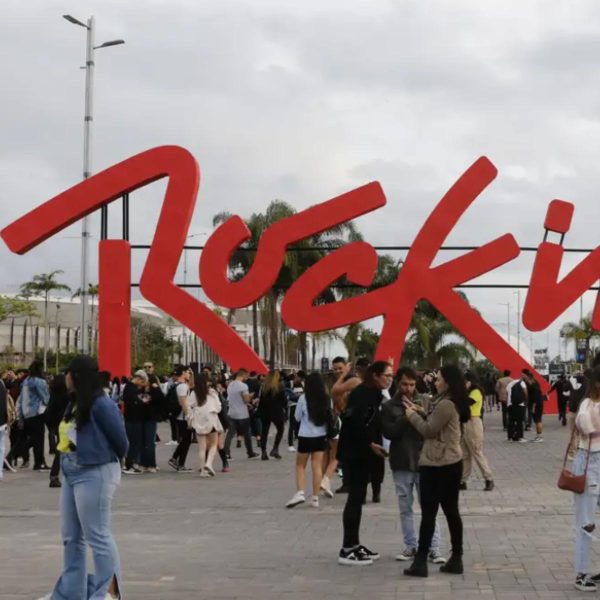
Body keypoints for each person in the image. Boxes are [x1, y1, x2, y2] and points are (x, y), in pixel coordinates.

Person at [36, 355, 128, 600]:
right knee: (71, 537)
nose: (64, 377)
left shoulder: (101, 403)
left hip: (94, 471)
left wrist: (102, 456)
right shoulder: (75, 402)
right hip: (71, 470)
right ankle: (70, 593)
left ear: (76, 376)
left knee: (98, 535)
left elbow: (121, 441)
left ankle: (108, 593)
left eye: (68, 373)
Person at [402, 365, 470, 578]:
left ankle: (421, 561)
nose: (435, 382)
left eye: (438, 379)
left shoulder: (446, 404)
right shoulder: (448, 402)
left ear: (448, 382)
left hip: (436, 464)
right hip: (450, 463)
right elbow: (436, 421)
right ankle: (456, 558)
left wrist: (411, 416)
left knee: (430, 514)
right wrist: (421, 411)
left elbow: (429, 430)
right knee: (451, 512)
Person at [381, 367, 446, 564]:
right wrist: (406, 417)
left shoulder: (426, 401)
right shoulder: (389, 405)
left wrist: (420, 413)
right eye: (404, 384)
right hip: (401, 461)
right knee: (405, 507)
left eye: (411, 384)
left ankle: (433, 548)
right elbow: (389, 432)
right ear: (397, 384)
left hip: (425, 460)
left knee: (429, 507)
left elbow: (434, 428)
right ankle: (410, 545)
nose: (408, 389)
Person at [336, 361, 393, 566]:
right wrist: (370, 444)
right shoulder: (362, 393)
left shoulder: (374, 393)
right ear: (376, 375)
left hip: (365, 451)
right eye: (387, 375)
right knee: (355, 498)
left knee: (359, 497)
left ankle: (355, 543)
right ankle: (347, 548)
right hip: (355, 452)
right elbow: (354, 423)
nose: (390, 379)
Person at [571, 366, 600, 592]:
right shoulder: (586, 405)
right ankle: (581, 574)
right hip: (589, 462)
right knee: (586, 522)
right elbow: (585, 425)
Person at [285, 372, 331, 509]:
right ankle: (315, 498)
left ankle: (300, 492)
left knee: (300, 466)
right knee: (317, 466)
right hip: (321, 436)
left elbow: (297, 417)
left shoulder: (303, 398)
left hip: (305, 436)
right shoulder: (327, 399)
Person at [460, 371, 494, 491]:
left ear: (470, 381)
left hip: (473, 422)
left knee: (476, 451)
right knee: (465, 454)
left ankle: (488, 478)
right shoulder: (468, 392)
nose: (463, 384)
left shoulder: (476, 392)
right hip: (465, 423)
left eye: (465, 382)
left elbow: (466, 403)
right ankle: (463, 480)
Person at [16, 360, 50, 471]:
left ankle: (15, 455)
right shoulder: (40, 382)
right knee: (39, 440)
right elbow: (46, 398)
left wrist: (20, 416)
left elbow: (21, 400)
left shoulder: (26, 381)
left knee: (29, 440)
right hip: (36, 413)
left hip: (26, 414)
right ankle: (39, 463)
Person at [188, 373, 223, 476]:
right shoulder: (212, 393)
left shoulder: (194, 393)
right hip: (211, 420)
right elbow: (218, 408)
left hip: (198, 420)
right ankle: (209, 464)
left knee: (202, 447)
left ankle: (203, 470)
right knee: (213, 444)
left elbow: (190, 405)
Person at [223, 369, 258, 459]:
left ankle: (226, 452)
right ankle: (250, 452)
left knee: (230, 434)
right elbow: (245, 399)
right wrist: (251, 396)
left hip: (231, 412)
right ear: (243, 375)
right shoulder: (243, 386)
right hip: (242, 413)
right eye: (247, 375)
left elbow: (235, 398)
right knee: (247, 433)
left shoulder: (230, 385)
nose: (247, 377)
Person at [46, 374, 70, 488]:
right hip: (65, 424)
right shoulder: (68, 395)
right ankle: (54, 474)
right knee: (63, 449)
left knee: (61, 449)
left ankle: (55, 475)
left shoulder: (53, 394)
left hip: (55, 424)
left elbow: (49, 411)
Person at [122, 370, 148, 474]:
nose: (142, 385)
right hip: (133, 419)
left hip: (132, 418)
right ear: (138, 379)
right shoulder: (131, 389)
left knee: (133, 442)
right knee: (134, 442)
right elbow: (143, 401)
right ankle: (130, 465)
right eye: (142, 382)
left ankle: (130, 464)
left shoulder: (131, 388)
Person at [168, 366, 194, 472]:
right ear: (183, 373)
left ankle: (175, 459)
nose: (189, 374)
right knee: (186, 440)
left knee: (185, 440)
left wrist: (192, 376)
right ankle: (179, 462)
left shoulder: (177, 385)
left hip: (179, 416)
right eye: (188, 372)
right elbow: (183, 402)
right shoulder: (183, 386)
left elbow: (192, 385)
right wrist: (188, 416)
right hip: (183, 417)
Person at [258, 371, 287, 460]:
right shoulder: (280, 387)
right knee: (280, 429)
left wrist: (259, 411)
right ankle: (275, 448)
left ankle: (263, 452)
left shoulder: (264, 387)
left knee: (264, 432)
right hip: (277, 412)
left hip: (265, 412)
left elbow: (261, 402)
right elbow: (284, 402)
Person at [140, 374, 164, 472]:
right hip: (141, 418)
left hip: (151, 419)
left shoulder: (155, 391)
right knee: (142, 442)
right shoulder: (141, 390)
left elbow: (161, 399)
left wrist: (156, 388)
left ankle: (151, 464)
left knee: (150, 442)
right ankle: (143, 463)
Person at [521, 370, 545, 443]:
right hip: (538, 403)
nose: (521, 376)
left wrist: (533, 406)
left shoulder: (533, 384)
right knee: (538, 420)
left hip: (536, 404)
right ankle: (538, 436)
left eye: (522, 375)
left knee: (538, 420)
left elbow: (535, 397)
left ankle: (539, 437)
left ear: (526, 375)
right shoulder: (534, 382)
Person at [506, 375, 528, 442]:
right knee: (519, 421)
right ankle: (520, 437)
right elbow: (525, 392)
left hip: (510, 405)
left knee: (511, 421)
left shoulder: (509, 384)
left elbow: (507, 394)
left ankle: (510, 437)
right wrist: (525, 400)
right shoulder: (522, 383)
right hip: (519, 405)